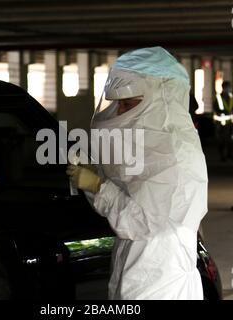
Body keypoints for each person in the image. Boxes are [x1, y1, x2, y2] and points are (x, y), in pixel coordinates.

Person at [66, 47, 208, 300]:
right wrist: (94, 177)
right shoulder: (152, 145)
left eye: (129, 104)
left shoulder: (175, 153)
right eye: (119, 104)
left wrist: (98, 186)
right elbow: (125, 198)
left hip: (162, 282)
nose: (120, 112)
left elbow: (140, 223)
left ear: (161, 97)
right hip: (138, 269)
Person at [213, 81, 233, 161]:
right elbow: (216, 109)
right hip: (220, 123)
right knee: (221, 140)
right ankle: (222, 155)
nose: (229, 89)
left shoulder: (230, 97)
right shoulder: (219, 98)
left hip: (229, 123)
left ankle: (229, 154)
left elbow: (232, 108)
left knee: (229, 140)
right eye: (228, 87)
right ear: (224, 88)